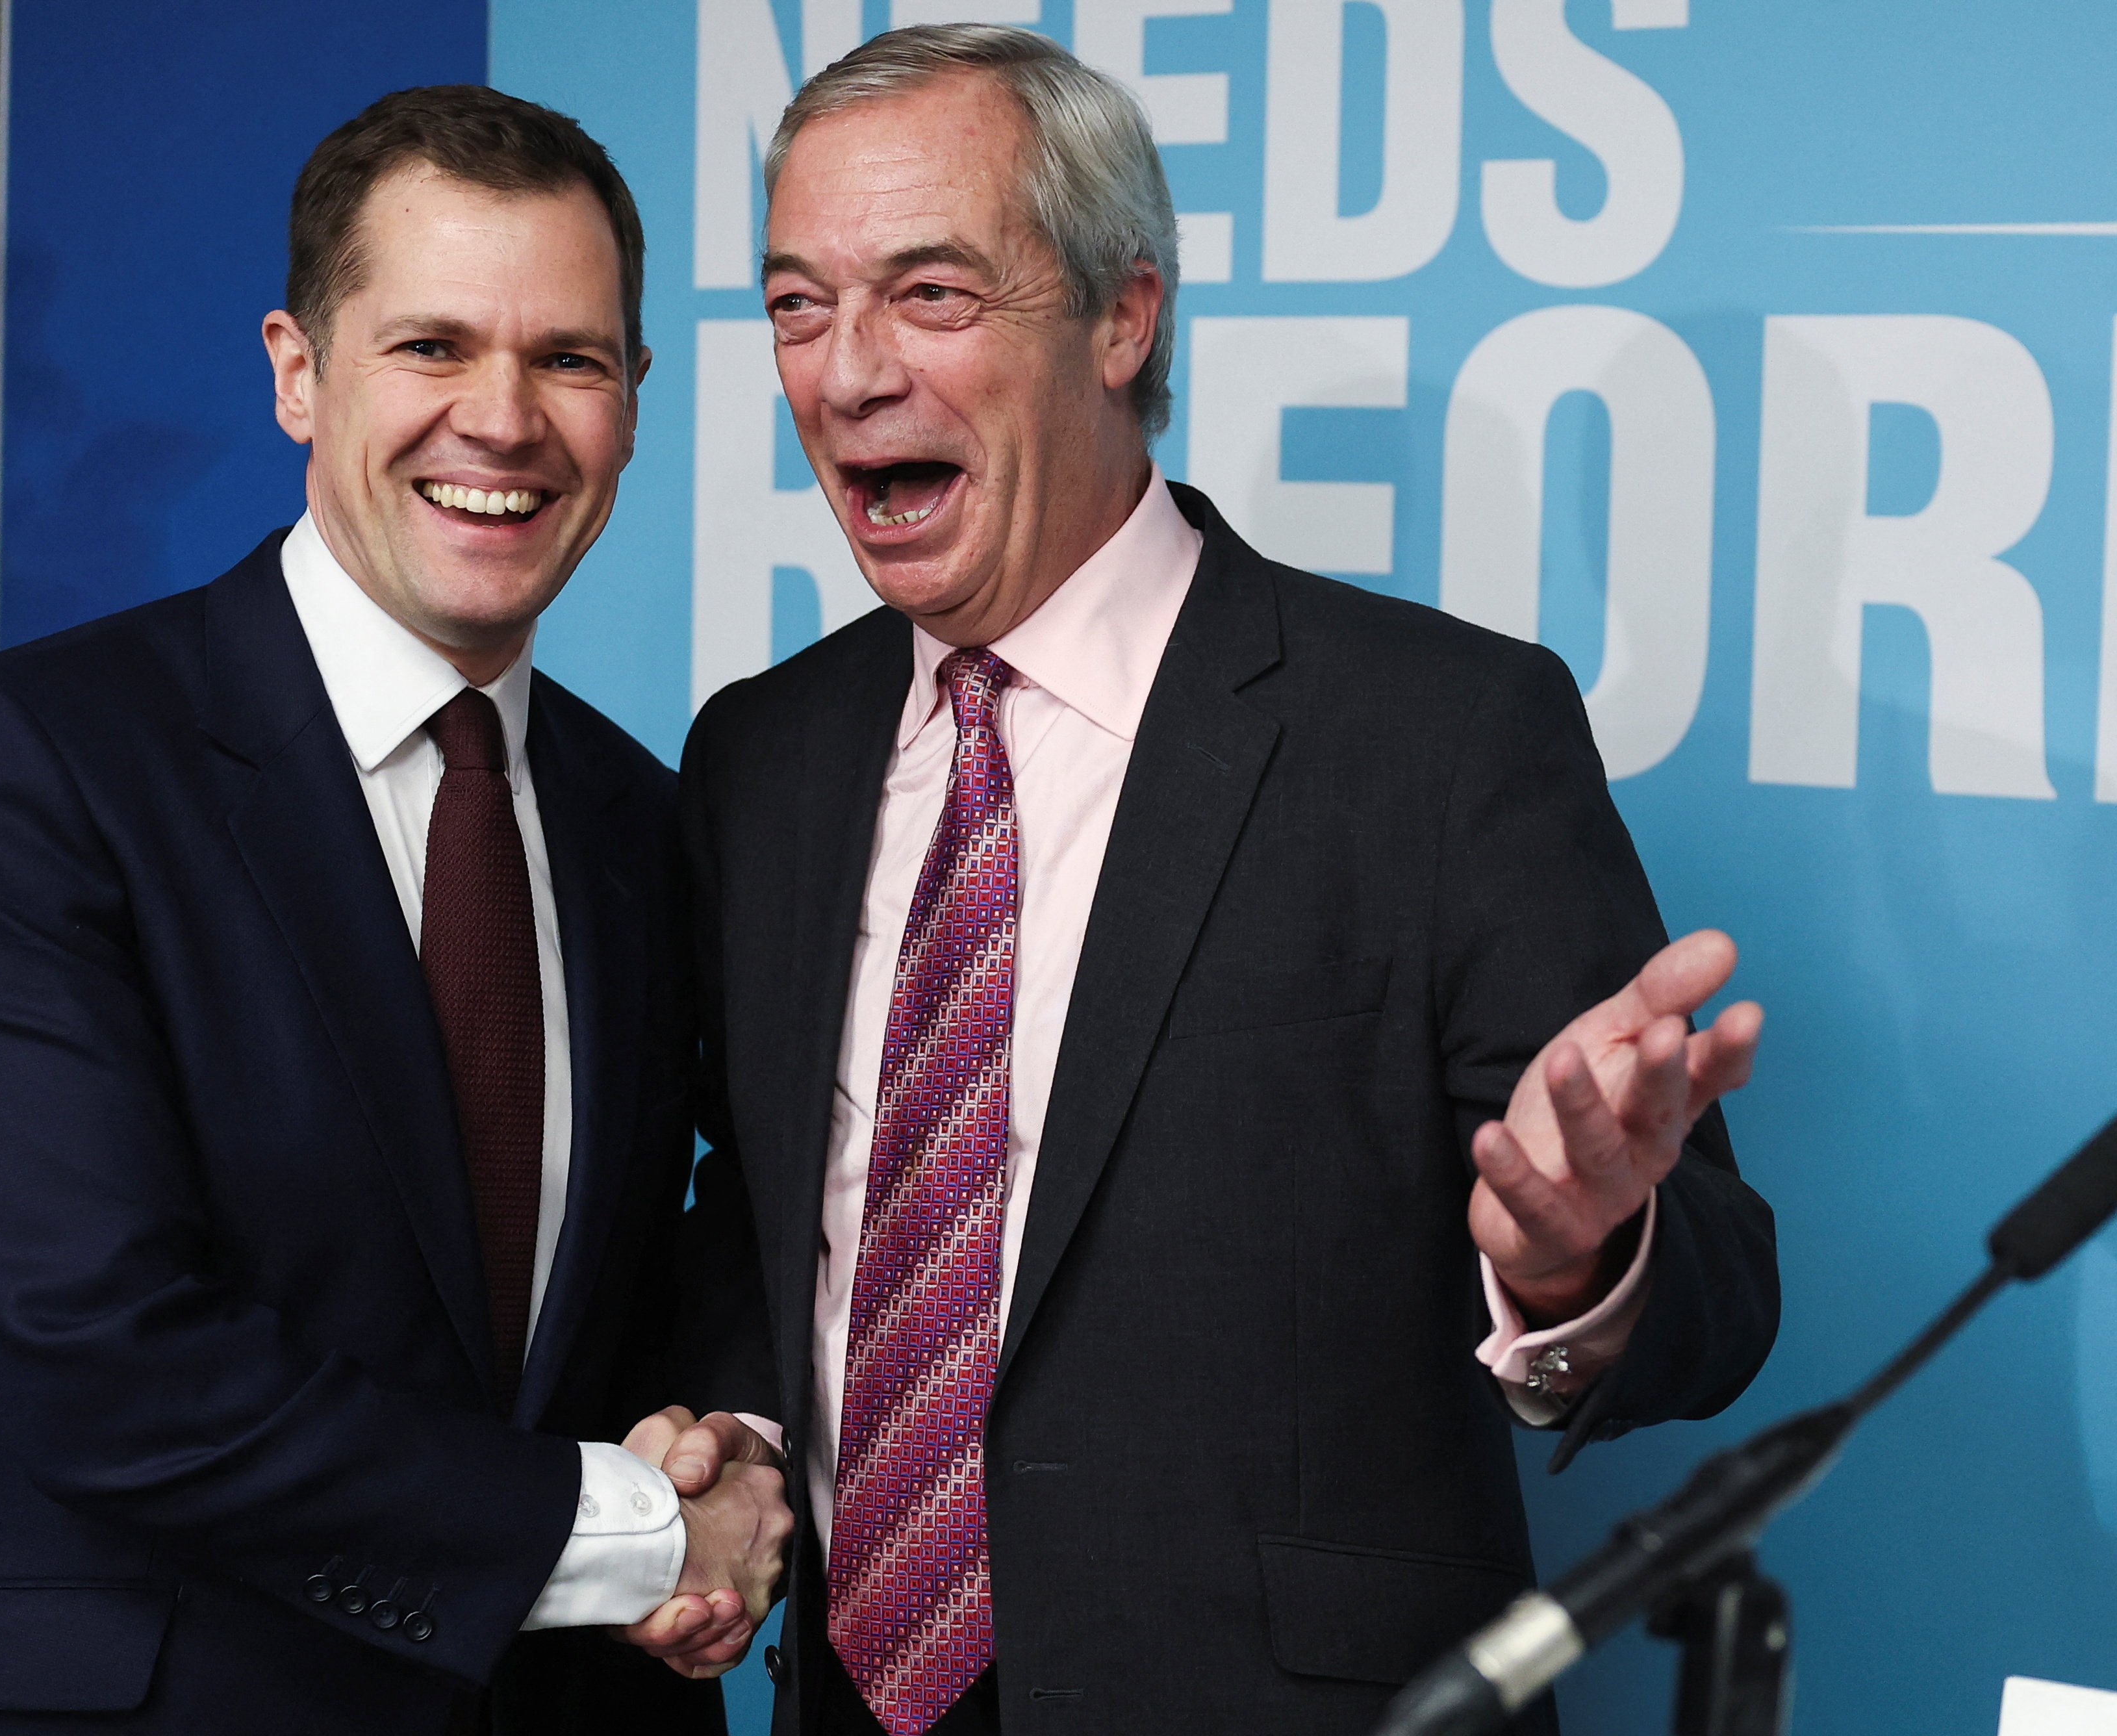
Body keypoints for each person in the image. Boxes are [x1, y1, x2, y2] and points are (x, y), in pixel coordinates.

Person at [649, 25, 1779, 1735]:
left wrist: (1575, 1258)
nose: (848, 374)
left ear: (1124, 315)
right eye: (798, 305)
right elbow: (777, 1215)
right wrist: (740, 1425)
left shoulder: (1443, 736)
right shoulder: (762, 757)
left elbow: (1719, 1285)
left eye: (931, 294)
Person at [0, 85, 787, 1736]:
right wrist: (631, 1534)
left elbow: (688, 1243)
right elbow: (101, 1354)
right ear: (296, 370)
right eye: (428, 346)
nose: (501, 419)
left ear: (634, 400)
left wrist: (732, 1448)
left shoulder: (644, 815)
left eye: (567, 358)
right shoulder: (23, 759)